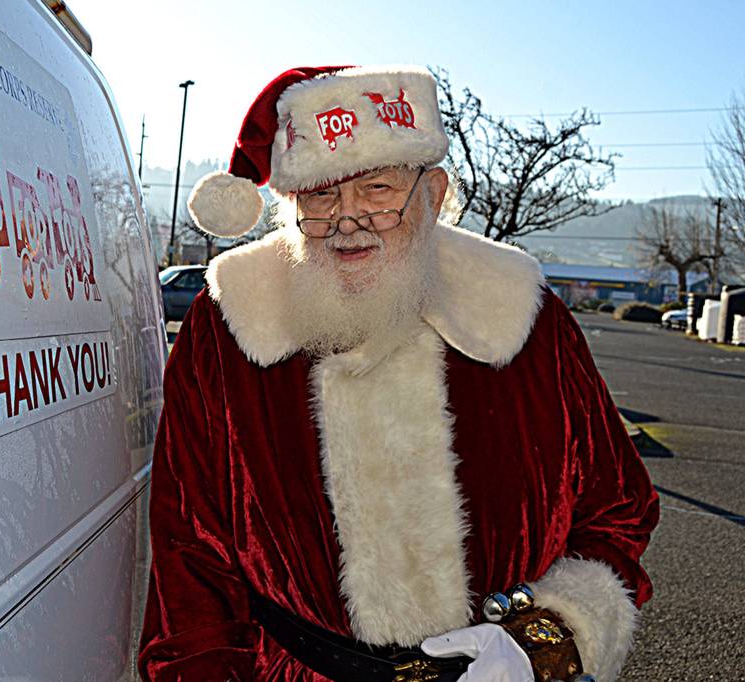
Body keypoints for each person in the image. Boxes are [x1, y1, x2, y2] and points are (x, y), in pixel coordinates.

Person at [138, 65, 658, 682]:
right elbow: (189, 544)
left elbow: (618, 509)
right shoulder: (229, 322)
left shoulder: (523, 313)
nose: (347, 219)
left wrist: (546, 641)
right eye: (322, 195)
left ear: (432, 195)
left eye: (378, 190)